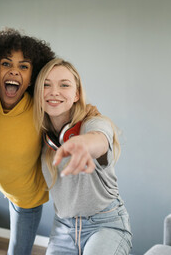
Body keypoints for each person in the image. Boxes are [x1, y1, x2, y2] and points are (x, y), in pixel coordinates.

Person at [33, 58, 132, 255]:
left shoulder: (94, 123)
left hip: (106, 224)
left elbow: (99, 139)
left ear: (76, 94)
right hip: (63, 228)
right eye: (46, 85)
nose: (54, 91)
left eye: (64, 85)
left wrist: (83, 144)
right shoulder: (39, 137)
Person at [0, 28, 55, 255]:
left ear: (31, 79)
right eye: (6, 64)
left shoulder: (40, 108)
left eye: (23, 67)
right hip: (2, 183)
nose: (14, 72)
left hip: (28, 198)